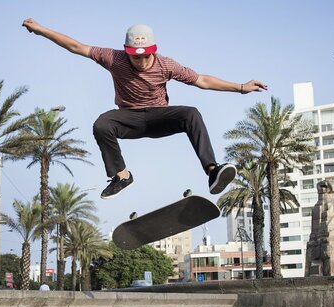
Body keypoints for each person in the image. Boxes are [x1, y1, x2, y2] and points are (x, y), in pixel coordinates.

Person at [22, 19, 268, 199]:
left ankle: (212, 170)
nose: (140, 62)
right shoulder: (113, 58)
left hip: (159, 117)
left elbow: (202, 80)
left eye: (145, 57)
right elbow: (76, 46)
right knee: (102, 123)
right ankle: (121, 175)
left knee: (191, 112)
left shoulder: (166, 65)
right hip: (129, 118)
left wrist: (240, 87)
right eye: (135, 57)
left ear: (153, 50)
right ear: (126, 51)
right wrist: (41, 30)